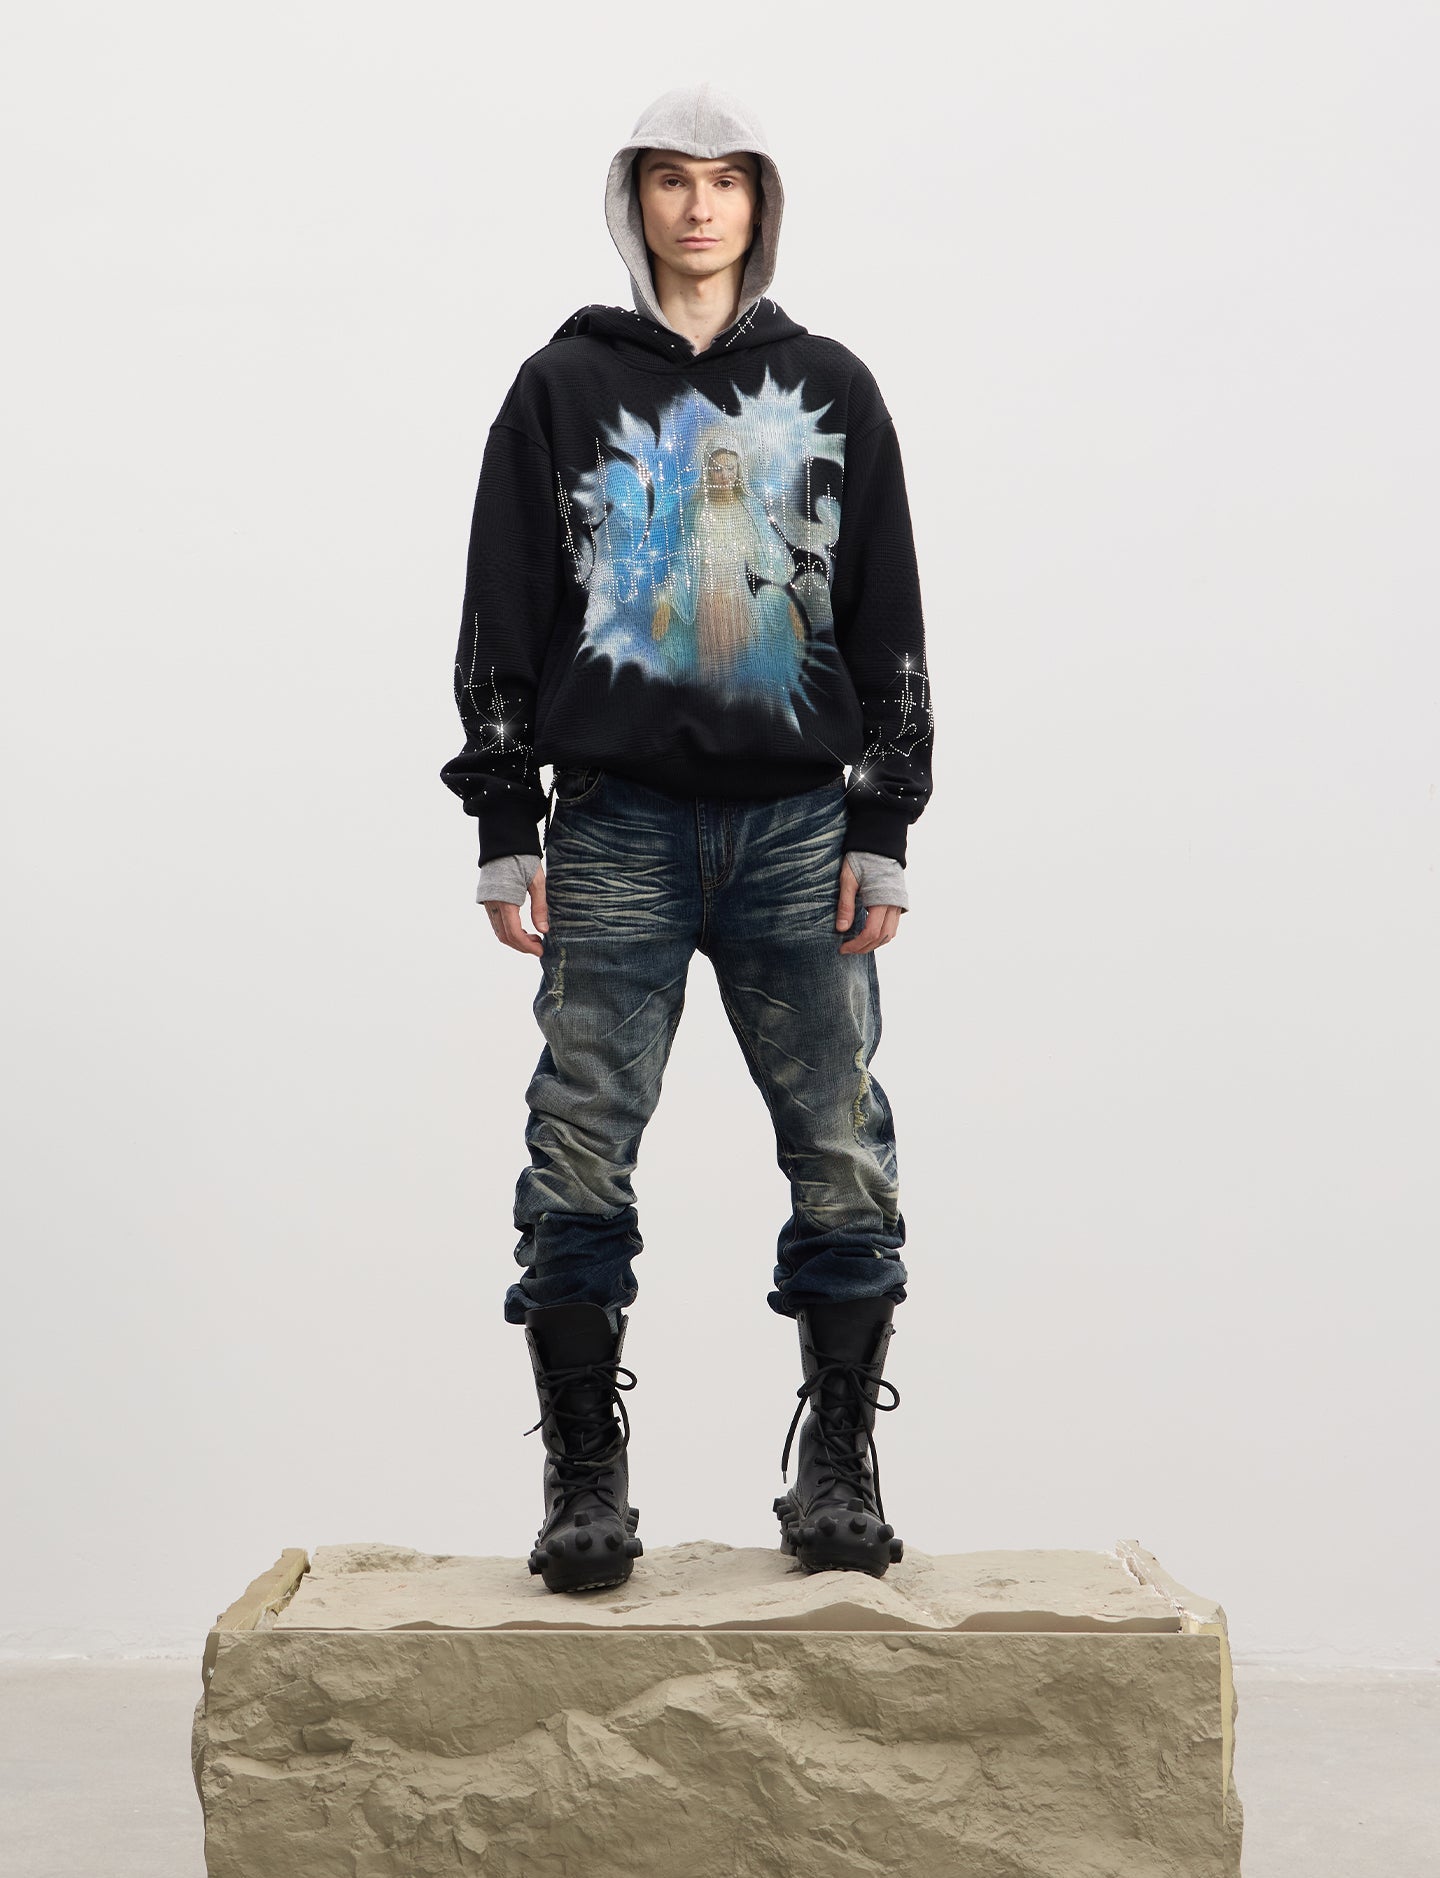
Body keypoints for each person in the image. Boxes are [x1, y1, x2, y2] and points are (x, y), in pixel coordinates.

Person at [441, 83, 934, 1596]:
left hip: (798, 826)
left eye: (726, 179)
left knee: (839, 1139)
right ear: (635, 200)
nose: (699, 205)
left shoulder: (832, 385)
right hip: (614, 823)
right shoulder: (560, 385)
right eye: (671, 178)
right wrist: (505, 819)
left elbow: (888, 610)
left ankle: (838, 1462)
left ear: (760, 202)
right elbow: (505, 601)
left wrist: (884, 816)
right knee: (578, 1138)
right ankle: (584, 1478)